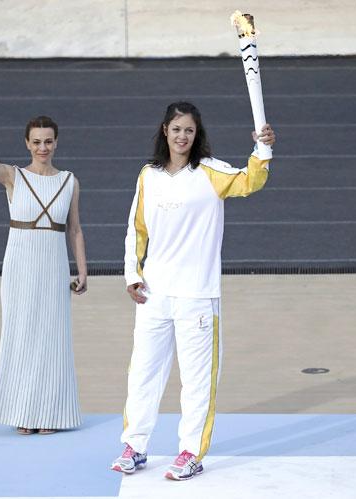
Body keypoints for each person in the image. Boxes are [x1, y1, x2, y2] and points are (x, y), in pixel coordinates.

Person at [111, 101, 276, 480]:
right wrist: (131, 275)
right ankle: (134, 446)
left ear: (196, 134)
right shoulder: (148, 175)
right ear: (165, 131)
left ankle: (190, 452)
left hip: (197, 296)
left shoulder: (211, 172)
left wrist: (262, 148)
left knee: (197, 379)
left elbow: (251, 181)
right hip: (154, 294)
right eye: (176, 129)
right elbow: (136, 229)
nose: (182, 136)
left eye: (189, 130)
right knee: (143, 373)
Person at [0, 104, 87, 435]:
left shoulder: (69, 182)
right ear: (27, 143)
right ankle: (23, 413)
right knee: (21, 335)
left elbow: (75, 229)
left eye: (48, 141)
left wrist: (82, 271)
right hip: (20, 266)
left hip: (53, 267)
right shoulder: (14, 176)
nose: (43, 148)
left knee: (52, 338)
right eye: (37, 142)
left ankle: (51, 414)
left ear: (56, 143)